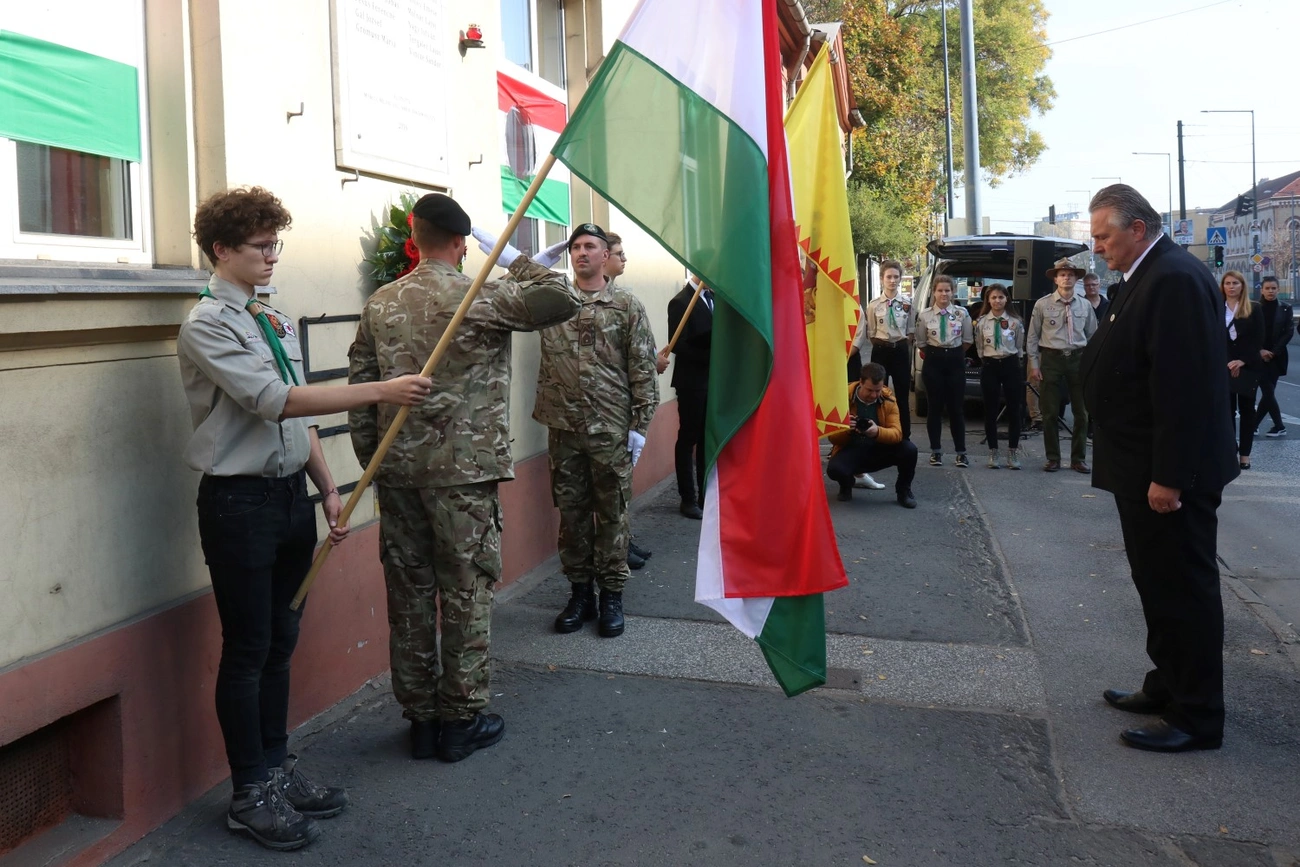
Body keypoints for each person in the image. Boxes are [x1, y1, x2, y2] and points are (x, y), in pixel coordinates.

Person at [178, 186, 433, 850]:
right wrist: (382, 389)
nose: (271, 256)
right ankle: (248, 792)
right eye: (260, 246)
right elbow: (273, 400)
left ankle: (275, 765)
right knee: (249, 648)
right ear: (221, 249)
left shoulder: (269, 314)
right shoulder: (207, 323)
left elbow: (304, 418)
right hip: (240, 506)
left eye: (275, 243)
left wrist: (326, 487)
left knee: (281, 643)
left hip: (290, 497)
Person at [350, 195, 581, 764]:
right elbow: (566, 299)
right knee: (465, 592)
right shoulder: (478, 297)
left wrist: (374, 461)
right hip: (464, 476)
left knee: (409, 597)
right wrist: (516, 261)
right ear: (459, 243)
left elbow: (361, 390)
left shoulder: (382, 303)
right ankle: (460, 718)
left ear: (415, 235)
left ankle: (421, 719)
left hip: (399, 475)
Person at [1082, 183, 1238, 753]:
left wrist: (1169, 476)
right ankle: (1168, 685)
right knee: (1158, 586)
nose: (1097, 247)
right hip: (1141, 466)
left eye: (1104, 235)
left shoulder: (1171, 278)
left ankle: (1196, 716)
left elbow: (1186, 390)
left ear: (1137, 229)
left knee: (1182, 591)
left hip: (1169, 475)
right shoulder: (1149, 273)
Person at [536, 223, 659, 638]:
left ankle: (611, 596)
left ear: (606, 256)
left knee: (612, 516)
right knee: (572, 517)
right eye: (575, 247)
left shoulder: (626, 306)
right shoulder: (552, 301)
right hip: (564, 430)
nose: (581, 253)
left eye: (590, 246)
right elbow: (506, 295)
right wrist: (535, 265)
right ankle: (579, 594)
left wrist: (639, 427)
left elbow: (643, 370)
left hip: (610, 430)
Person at [603, 232, 653, 568]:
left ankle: (625, 543)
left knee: (619, 492)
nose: (624, 259)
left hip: (620, 416)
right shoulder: (576, 299)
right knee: (606, 496)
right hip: (596, 417)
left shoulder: (625, 301)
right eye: (619, 253)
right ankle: (618, 548)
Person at [1027, 258, 1097, 473]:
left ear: (1076, 279)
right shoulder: (1042, 304)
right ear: (1055, 279)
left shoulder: (1084, 304)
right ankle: (1053, 458)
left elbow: (1093, 336)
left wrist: (1091, 364)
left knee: (1081, 413)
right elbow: (1032, 336)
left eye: (1070, 274)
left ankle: (1078, 458)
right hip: (1051, 359)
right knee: (1049, 412)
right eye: (1062, 274)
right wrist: (1034, 365)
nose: (1066, 277)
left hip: (1078, 359)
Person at [826, 362, 918, 508]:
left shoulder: (888, 400)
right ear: (861, 382)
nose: (874, 395)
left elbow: (897, 434)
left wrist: (877, 432)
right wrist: (845, 429)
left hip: (878, 448)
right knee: (834, 469)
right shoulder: (843, 398)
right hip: (851, 449)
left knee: (909, 450)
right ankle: (846, 485)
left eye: (878, 390)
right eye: (869, 390)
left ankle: (904, 491)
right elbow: (832, 438)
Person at [666, 274, 713, 519]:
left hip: (712, 382)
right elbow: (677, 345)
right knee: (689, 438)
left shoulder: (713, 299)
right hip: (691, 383)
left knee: (707, 439)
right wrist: (710, 355)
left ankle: (706, 494)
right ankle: (688, 498)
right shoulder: (680, 301)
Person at [914, 274, 972, 467]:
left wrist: (951, 354)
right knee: (934, 408)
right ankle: (936, 451)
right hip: (934, 362)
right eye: (940, 290)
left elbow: (966, 341)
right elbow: (921, 342)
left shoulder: (962, 313)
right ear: (934, 292)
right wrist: (938, 353)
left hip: (955, 361)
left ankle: (961, 452)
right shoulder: (925, 316)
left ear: (953, 292)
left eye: (947, 290)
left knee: (956, 409)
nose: (944, 294)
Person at [860, 260, 915, 440]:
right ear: (882, 279)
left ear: (900, 279)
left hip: (899, 351)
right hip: (881, 351)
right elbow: (872, 333)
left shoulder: (907, 303)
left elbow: (911, 331)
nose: (892, 281)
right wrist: (883, 344)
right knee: (877, 394)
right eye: (888, 277)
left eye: (896, 277)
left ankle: (904, 436)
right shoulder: (874, 305)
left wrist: (899, 345)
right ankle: (877, 433)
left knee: (901, 397)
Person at [973, 284, 1026, 469]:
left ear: (1007, 299)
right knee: (990, 410)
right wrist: (988, 360)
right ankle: (993, 451)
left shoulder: (1015, 322)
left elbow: (1020, 346)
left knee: (1014, 410)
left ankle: (1012, 452)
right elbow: (979, 347)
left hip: (1010, 364)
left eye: (1001, 297)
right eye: (994, 297)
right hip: (990, 365)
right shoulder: (981, 322)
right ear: (988, 300)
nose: (997, 301)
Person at [1220, 270, 1263, 469]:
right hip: (1224, 367)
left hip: (1248, 367)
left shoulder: (1253, 308)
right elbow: (1213, 339)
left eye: (1235, 283)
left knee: (1247, 412)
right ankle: (1230, 450)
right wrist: (1230, 362)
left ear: (1242, 286)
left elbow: (1258, 340)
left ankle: (1245, 455)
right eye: (1227, 283)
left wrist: (1242, 361)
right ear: (1222, 287)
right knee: (1225, 413)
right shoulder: (1217, 309)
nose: (1231, 287)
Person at [1253, 275, 1293, 437]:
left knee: (1269, 392)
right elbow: (1251, 332)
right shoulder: (1254, 307)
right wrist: (1261, 350)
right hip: (1258, 356)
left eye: (1273, 288)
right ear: (1262, 290)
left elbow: (1288, 332)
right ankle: (1278, 425)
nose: (1271, 291)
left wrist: (1274, 352)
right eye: (1267, 288)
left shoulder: (1285, 308)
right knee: (1268, 390)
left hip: (1277, 356)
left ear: (1278, 289)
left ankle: (1259, 425)